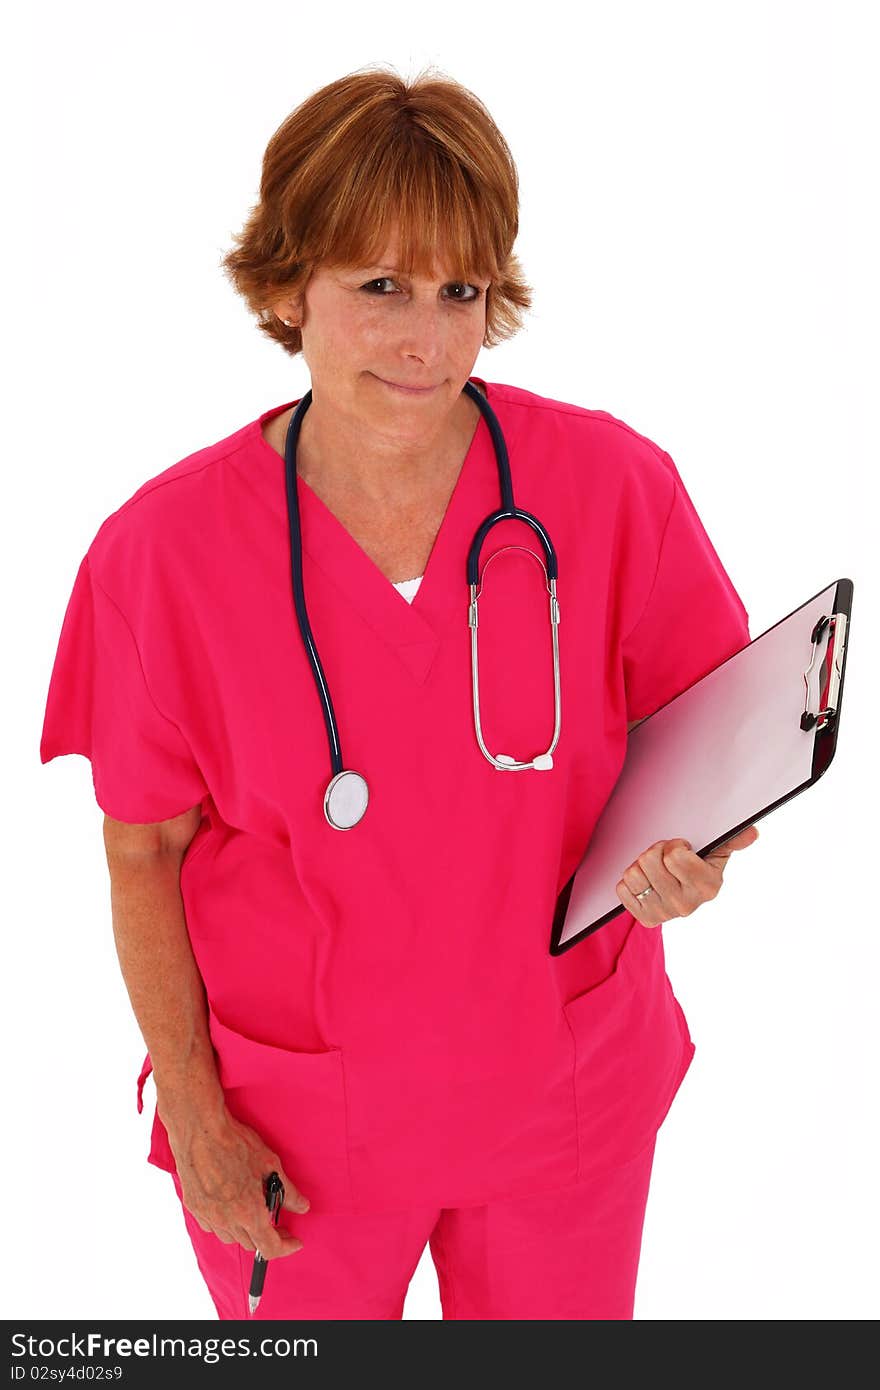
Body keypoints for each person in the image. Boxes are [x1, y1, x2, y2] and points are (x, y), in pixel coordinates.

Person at [39, 64, 759, 1321]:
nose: (425, 340)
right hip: (298, 1137)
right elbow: (144, 851)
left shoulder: (609, 489)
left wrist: (698, 854)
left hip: (560, 1105)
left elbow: (715, 756)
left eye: (458, 291)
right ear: (284, 287)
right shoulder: (160, 557)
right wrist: (197, 1116)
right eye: (379, 287)